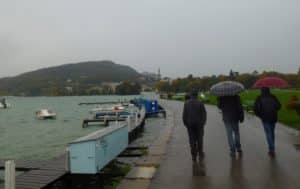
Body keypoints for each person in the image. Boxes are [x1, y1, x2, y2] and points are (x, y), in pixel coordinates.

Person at [254, 87, 281, 158]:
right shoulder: (273, 97)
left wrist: (260, 115)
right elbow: (278, 106)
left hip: (265, 118)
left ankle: (271, 149)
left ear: (261, 90)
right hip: (273, 117)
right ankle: (272, 148)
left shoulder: (259, 98)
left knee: (268, 133)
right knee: (271, 133)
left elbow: (256, 109)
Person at [182, 90, 207, 162]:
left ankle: (193, 155)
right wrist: (203, 122)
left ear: (190, 95)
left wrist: (186, 124)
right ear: (197, 95)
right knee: (200, 139)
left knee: (192, 140)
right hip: (199, 124)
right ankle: (200, 153)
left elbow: (184, 115)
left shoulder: (186, 103)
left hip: (190, 124)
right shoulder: (200, 103)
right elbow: (204, 114)